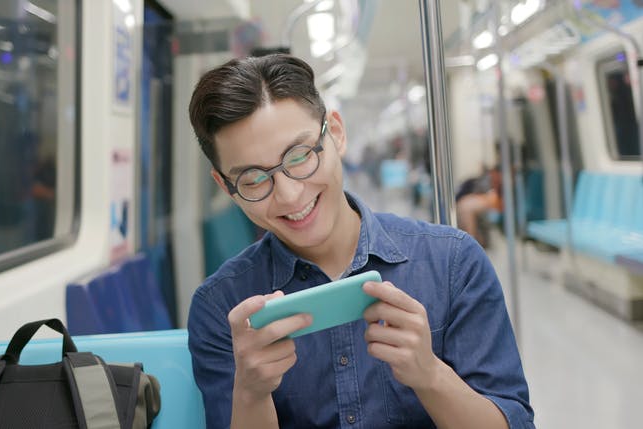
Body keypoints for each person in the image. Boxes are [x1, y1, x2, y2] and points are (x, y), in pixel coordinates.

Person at [186, 54, 534, 429]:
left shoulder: (452, 263)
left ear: (335, 133)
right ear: (226, 186)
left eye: (300, 156)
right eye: (253, 179)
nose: (288, 195)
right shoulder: (222, 307)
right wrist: (251, 394)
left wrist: (431, 375)